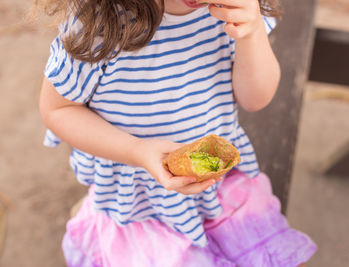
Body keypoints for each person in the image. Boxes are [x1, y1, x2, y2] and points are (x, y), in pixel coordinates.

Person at [38, 0, 317, 266]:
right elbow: (58, 110)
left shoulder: (234, 11)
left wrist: (251, 34)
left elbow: (255, 99)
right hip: (138, 205)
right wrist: (136, 151)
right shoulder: (99, 23)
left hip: (220, 188)